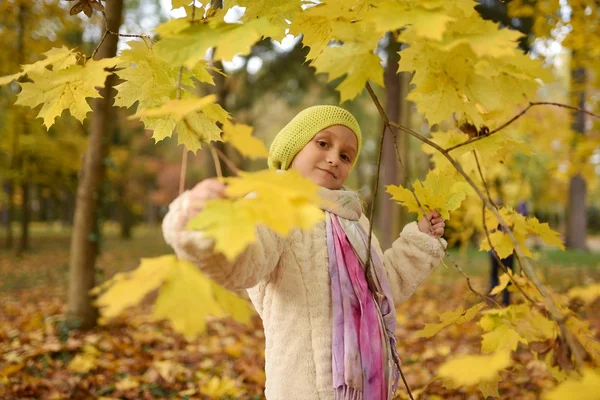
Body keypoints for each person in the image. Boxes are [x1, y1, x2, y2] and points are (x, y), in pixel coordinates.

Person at [162, 105, 447, 400]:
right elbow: (242, 264)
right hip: (304, 386)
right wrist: (202, 227)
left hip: (368, 380)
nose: (334, 157)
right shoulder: (273, 203)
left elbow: (382, 287)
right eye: (323, 143)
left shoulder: (354, 220)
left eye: (346, 155)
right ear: (294, 147)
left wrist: (420, 240)